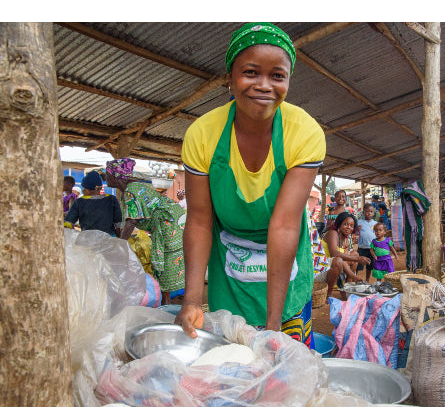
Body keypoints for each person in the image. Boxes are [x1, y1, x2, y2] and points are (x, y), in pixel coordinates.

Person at [176, 22, 326, 347]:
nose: (264, 85)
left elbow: (285, 226)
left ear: (288, 81)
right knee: (231, 369)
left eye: (277, 76)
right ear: (231, 77)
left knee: (281, 375)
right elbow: (200, 221)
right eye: (251, 72)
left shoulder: (304, 133)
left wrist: (274, 324)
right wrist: (190, 299)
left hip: (284, 277)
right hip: (230, 278)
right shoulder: (203, 135)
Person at [105, 158, 186, 306]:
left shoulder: (130, 191)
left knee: (167, 262)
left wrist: (120, 244)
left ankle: (170, 304)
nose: (106, 177)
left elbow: (131, 221)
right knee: (166, 262)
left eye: (107, 173)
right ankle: (167, 302)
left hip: (168, 223)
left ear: (116, 176)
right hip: (174, 220)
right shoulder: (134, 187)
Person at [64, 170, 122, 237]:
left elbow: (69, 222)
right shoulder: (111, 199)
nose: (82, 190)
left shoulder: (79, 202)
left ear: (88, 190)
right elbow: (119, 224)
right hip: (109, 239)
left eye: (84, 188)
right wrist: (119, 240)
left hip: (88, 240)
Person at [322, 212, 370, 284]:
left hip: (337, 265)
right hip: (324, 267)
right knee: (345, 259)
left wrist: (353, 276)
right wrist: (357, 259)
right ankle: (329, 292)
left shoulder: (346, 242)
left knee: (355, 254)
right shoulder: (332, 234)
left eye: (351, 226)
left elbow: (344, 261)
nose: (348, 227)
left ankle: (348, 283)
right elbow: (334, 253)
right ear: (339, 224)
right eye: (345, 224)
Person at [356, 203, 378, 282]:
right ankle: (355, 278)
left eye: (371, 211)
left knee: (370, 265)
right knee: (358, 265)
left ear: (373, 213)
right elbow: (355, 233)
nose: (369, 213)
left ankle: (367, 280)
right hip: (361, 248)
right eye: (367, 211)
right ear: (363, 212)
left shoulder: (375, 223)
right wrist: (357, 229)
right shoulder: (359, 222)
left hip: (372, 248)